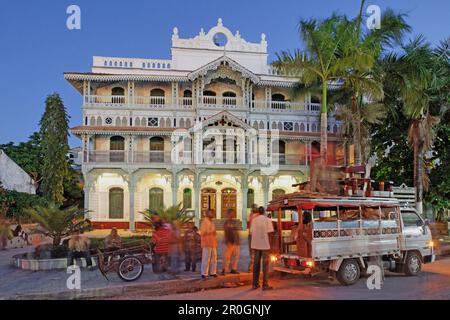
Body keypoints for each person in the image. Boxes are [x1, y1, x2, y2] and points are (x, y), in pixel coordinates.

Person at [250, 207, 274, 290]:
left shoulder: (254, 220)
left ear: (258, 212)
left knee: (256, 264)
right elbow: (270, 233)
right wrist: (270, 245)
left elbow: (251, 231)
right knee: (265, 265)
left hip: (256, 245)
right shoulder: (267, 220)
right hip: (264, 245)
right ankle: (265, 285)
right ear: (264, 212)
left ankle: (254, 284)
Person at [200, 210, 218, 279]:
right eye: (211, 213)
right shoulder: (204, 222)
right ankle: (204, 273)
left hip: (213, 242)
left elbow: (214, 232)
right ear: (207, 214)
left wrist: (214, 233)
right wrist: (211, 232)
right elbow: (203, 232)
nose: (213, 214)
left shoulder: (212, 222)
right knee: (205, 258)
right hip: (206, 242)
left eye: (213, 213)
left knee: (214, 258)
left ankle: (213, 272)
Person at [222, 208, 240, 275]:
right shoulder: (227, 222)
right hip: (229, 242)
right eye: (231, 213)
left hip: (236, 242)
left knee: (235, 256)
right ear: (228, 214)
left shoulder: (234, 222)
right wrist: (228, 241)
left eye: (233, 213)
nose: (232, 215)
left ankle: (234, 269)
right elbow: (227, 232)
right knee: (227, 257)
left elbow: (236, 232)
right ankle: (225, 269)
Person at [247, 204, 259, 272]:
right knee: (253, 253)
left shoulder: (254, 215)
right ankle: (252, 267)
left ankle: (252, 267)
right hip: (252, 235)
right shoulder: (252, 215)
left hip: (253, 235)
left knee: (253, 253)